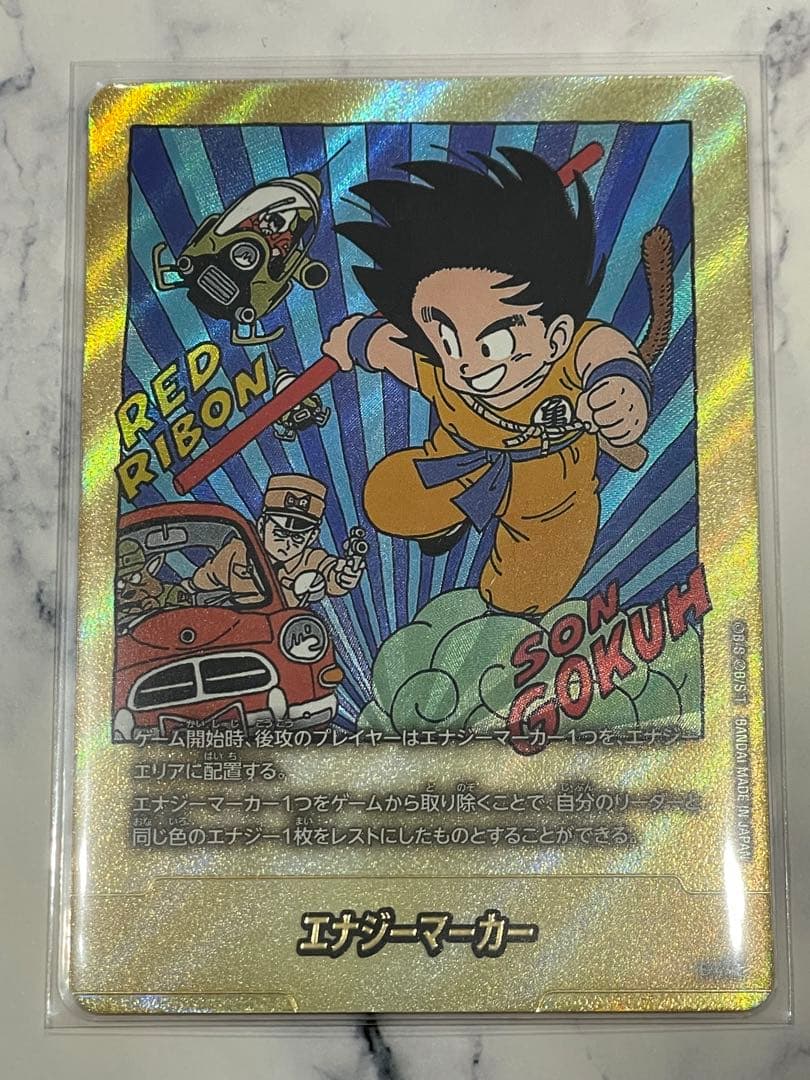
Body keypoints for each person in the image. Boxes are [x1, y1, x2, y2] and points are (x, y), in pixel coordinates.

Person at [322, 147, 660, 616]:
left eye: (494, 340)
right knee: (386, 499)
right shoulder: (442, 368)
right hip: (455, 467)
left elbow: (602, 348)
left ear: (555, 336)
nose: (465, 362)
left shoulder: (567, 354)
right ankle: (448, 523)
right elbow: (393, 351)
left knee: (522, 594)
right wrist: (358, 339)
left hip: (551, 501)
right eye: (446, 338)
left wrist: (620, 389)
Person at [192, 474, 365, 607]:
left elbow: (332, 575)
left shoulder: (312, 560)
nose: (287, 545)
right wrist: (186, 591)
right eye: (279, 533)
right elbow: (204, 579)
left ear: (312, 536)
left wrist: (345, 575)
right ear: (262, 525)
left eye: (297, 538)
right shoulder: (237, 551)